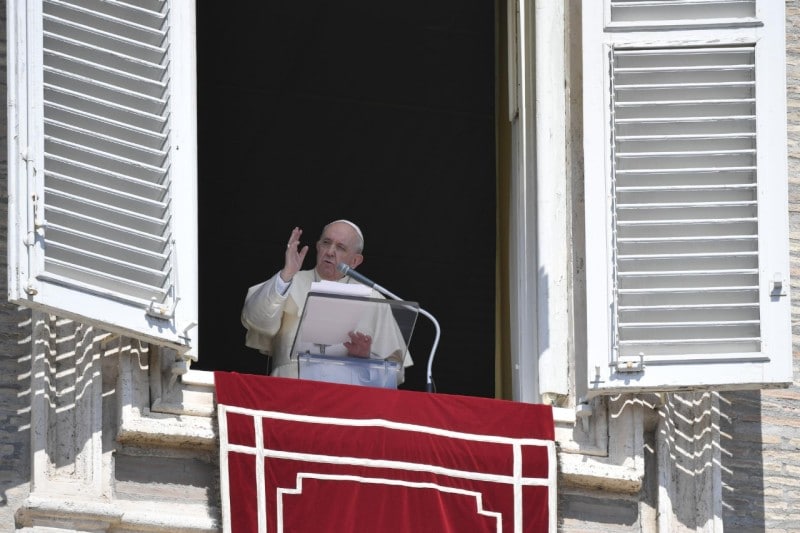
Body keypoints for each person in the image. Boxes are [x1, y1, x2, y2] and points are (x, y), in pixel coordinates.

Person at [241, 219, 412, 383]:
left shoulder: (373, 298)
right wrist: (286, 275)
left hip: (346, 402)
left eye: (340, 247)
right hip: (289, 392)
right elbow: (256, 321)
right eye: (326, 243)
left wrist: (366, 359)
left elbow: (396, 374)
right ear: (317, 246)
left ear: (355, 261)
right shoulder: (290, 282)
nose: (330, 251)